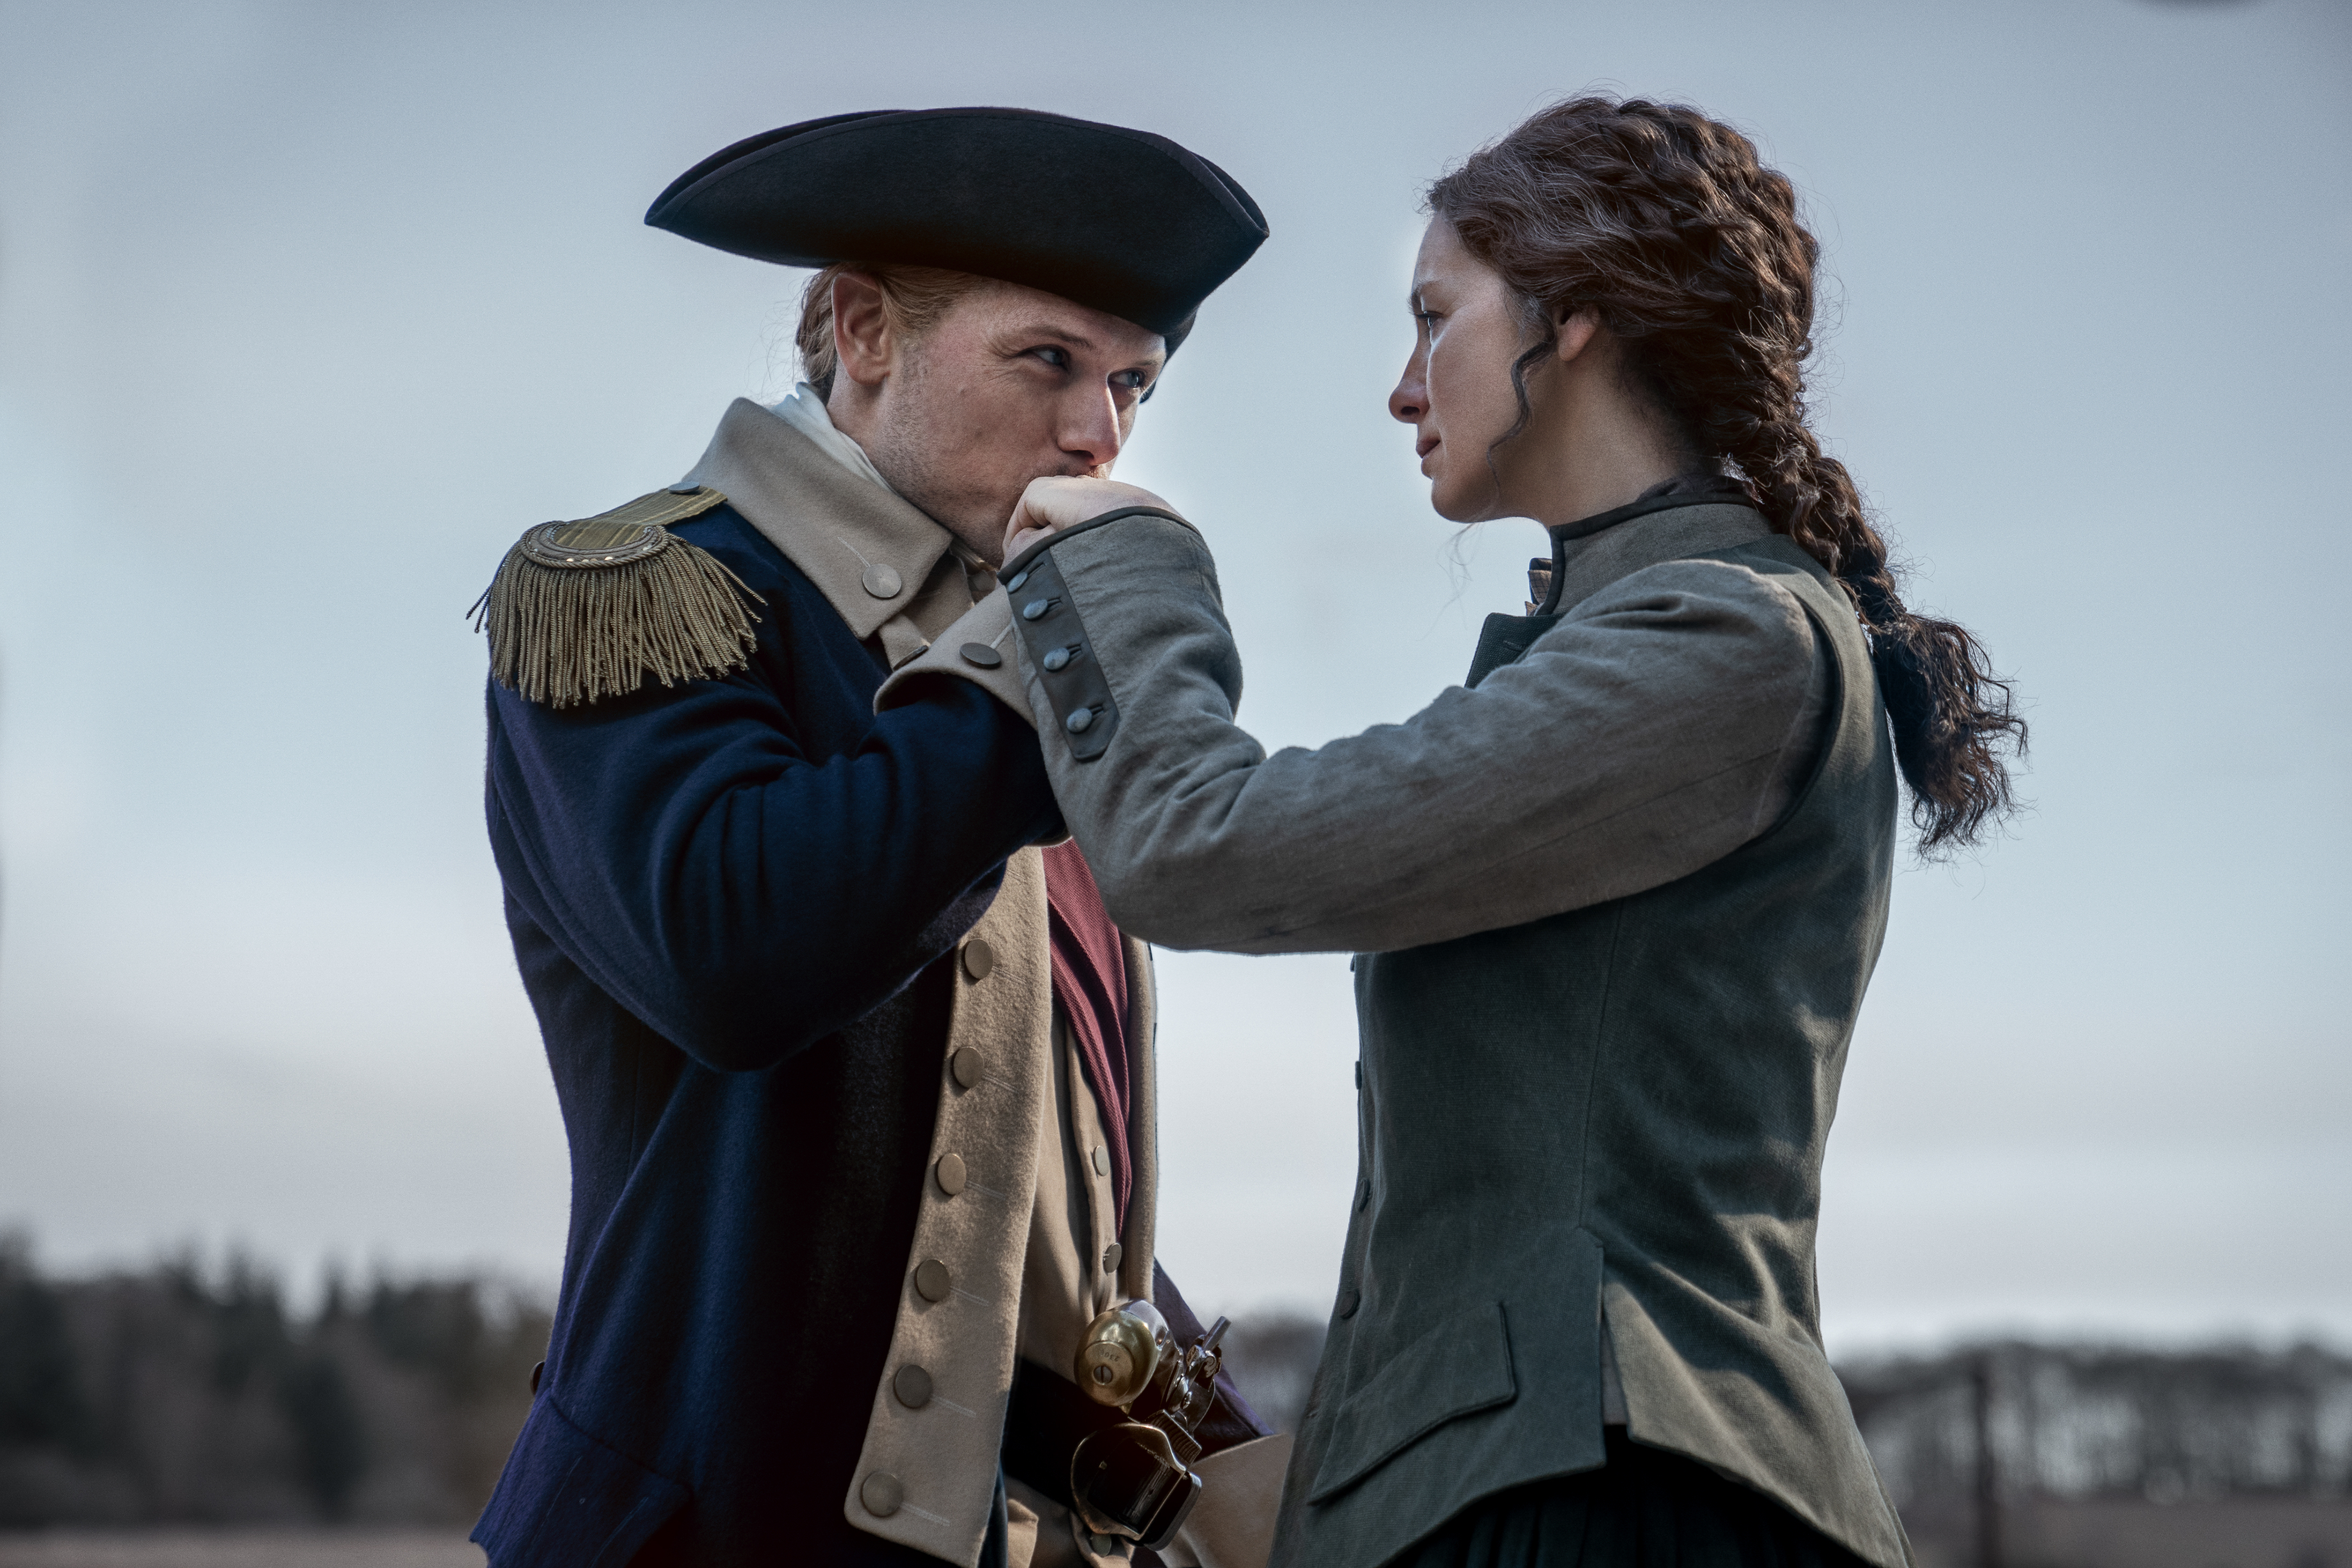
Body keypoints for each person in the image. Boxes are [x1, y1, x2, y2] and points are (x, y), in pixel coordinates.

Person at [897, 96, 2026, 1568]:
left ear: (1574, 319)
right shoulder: (1659, 633)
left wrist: (1125, 557)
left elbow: (1192, 842)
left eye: (1434, 315)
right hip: (1535, 1492)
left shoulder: (1723, 642)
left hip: (1613, 1501)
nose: (1402, 384)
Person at [469, 108, 1288, 1568]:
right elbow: (733, 952)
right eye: (1047, 360)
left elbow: (1041, 1202)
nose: (1097, 434)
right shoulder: (641, 589)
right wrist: (1044, 661)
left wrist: (1234, 1476)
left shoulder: (1009, 686)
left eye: (1130, 384)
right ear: (859, 329)